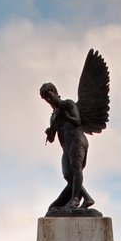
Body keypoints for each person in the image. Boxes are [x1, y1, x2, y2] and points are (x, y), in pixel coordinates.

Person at [40, 82, 95, 210]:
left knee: (76, 168)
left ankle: (75, 199)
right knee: (67, 174)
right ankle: (87, 198)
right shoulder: (53, 116)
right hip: (66, 146)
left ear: (55, 92)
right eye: (45, 98)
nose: (48, 100)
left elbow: (77, 121)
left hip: (76, 139)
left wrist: (66, 116)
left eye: (49, 95)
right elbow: (53, 138)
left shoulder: (68, 104)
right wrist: (49, 134)